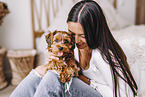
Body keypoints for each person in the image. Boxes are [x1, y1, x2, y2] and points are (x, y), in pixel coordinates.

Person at [10, 0, 138, 97]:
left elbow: (126, 94)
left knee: (55, 77)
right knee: (38, 73)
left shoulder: (104, 55)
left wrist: (88, 82)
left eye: (82, 35)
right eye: (72, 34)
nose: (75, 41)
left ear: (94, 31)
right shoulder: (72, 49)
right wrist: (45, 67)